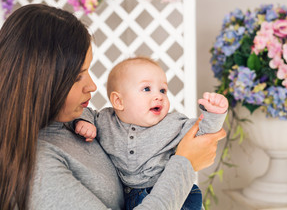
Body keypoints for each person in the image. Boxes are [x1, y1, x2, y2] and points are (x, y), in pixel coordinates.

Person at [0, 4, 226, 210]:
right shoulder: (37, 166)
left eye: (88, 71)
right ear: (41, 81)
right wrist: (185, 163)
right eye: (77, 76)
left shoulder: (75, 122)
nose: (92, 85)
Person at [75, 57, 229, 210]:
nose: (159, 96)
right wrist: (84, 122)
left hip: (175, 195)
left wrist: (214, 114)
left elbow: (204, 134)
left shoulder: (173, 123)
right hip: (130, 199)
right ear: (118, 101)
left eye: (163, 90)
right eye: (147, 89)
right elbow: (87, 113)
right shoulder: (105, 120)